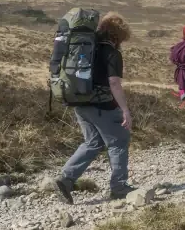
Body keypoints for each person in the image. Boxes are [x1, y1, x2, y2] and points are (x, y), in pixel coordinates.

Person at [53, 12, 134, 204]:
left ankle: (66, 179)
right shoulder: (112, 53)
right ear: (118, 35)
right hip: (102, 105)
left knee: (93, 142)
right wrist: (125, 110)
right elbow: (114, 83)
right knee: (118, 141)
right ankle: (119, 187)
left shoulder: (88, 49)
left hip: (80, 102)